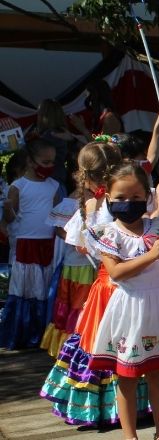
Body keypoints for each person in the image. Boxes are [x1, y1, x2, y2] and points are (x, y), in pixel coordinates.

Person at [39, 141, 159, 427]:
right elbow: (103, 259)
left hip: (143, 296)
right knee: (119, 359)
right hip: (116, 293)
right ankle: (126, 425)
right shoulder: (104, 222)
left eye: (136, 196)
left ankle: (153, 424)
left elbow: (79, 247)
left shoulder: (148, 223)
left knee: (148, 361)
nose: (128, 202)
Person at [85, 161, 159, 440]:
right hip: (129, 308)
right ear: (108, 198)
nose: (127, 204)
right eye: (120, 198)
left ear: (147, 197)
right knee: (126, 376)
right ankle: (130, 436)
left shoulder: (158, 226)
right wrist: (150, 256)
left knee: (157, 373)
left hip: (158, 306)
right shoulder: (109, 234)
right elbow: (117, 272)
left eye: (134, 197)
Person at [0, 139, 61, 349]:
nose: (48, 166)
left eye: (52, 162)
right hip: (25, 243)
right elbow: (9, 219)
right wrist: (7, 210)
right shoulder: (18, 186)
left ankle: (41, 335)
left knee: (43, 288)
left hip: (47, 243)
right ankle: (20, 334)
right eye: (44, 162)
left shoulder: (53, 185)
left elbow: (54, 216)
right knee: (24, 288)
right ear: (30, 161)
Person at [39, 171, 96, 357]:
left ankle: (83, 342)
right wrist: (78, 240)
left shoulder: (99, 202)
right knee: (76, 304)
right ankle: (73, 345)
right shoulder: (70, 203)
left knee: (83, 304)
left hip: (90, 264)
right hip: (77, 266)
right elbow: (59, 230)